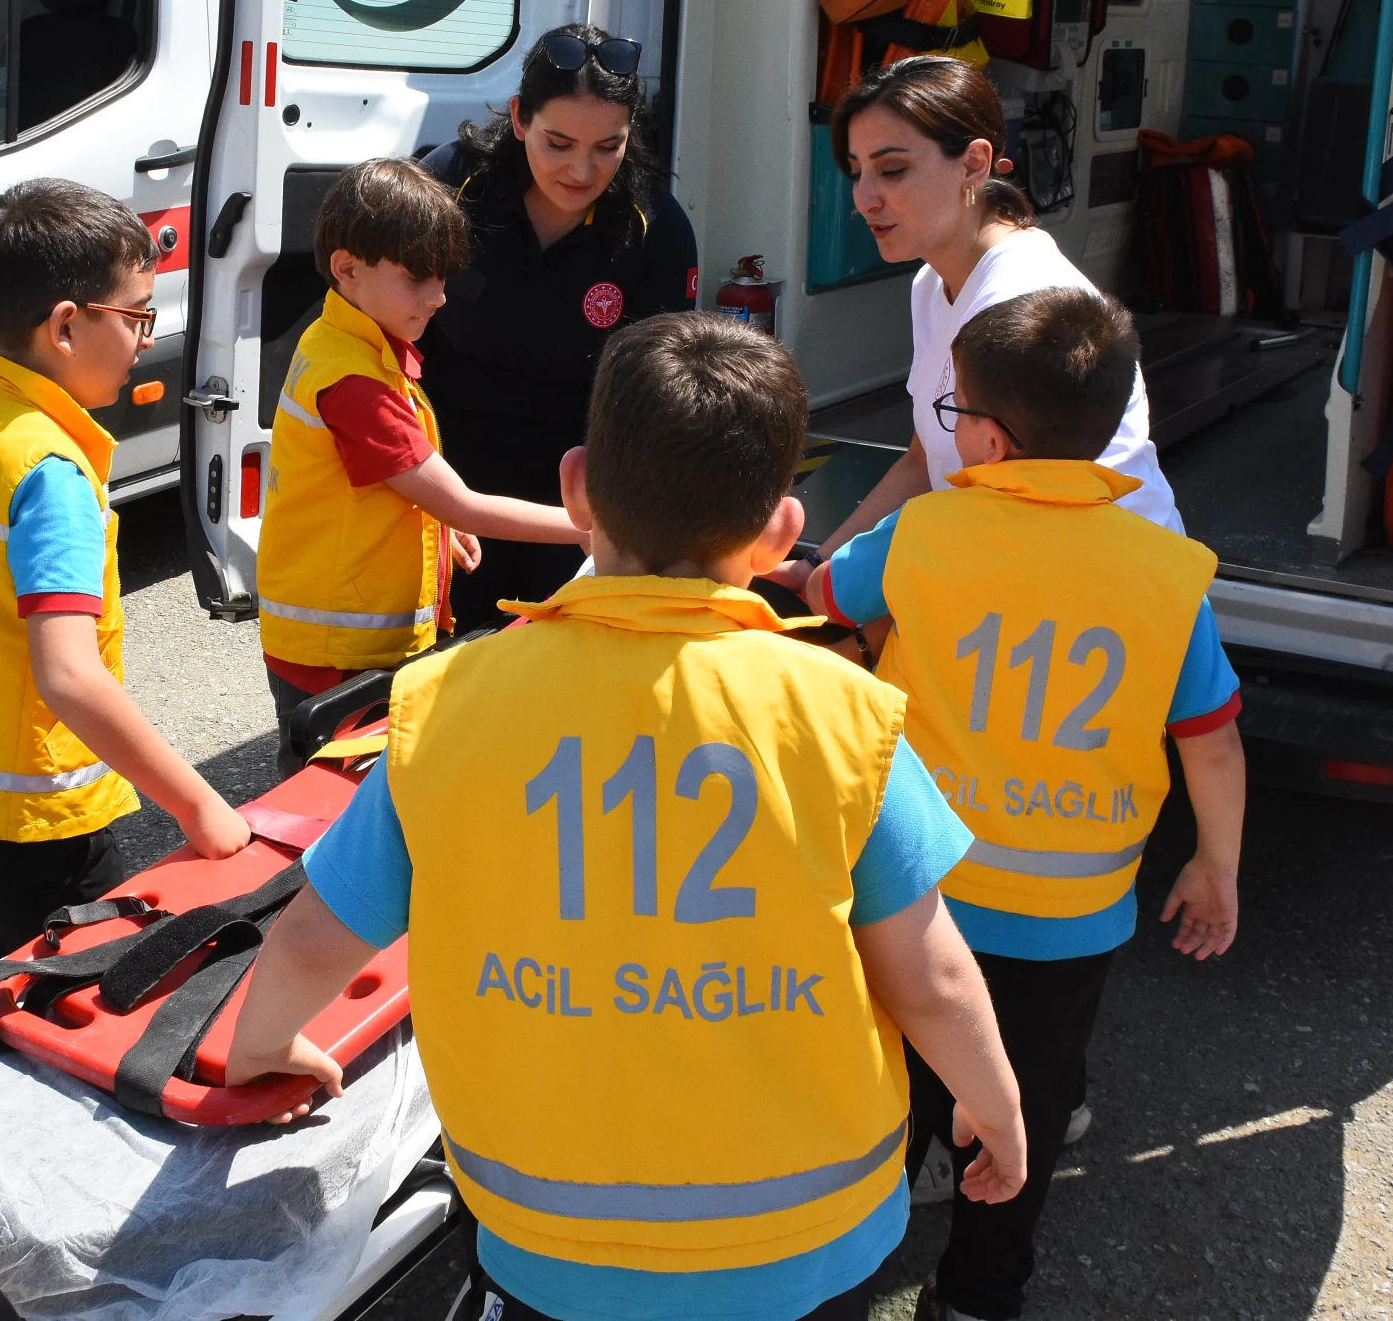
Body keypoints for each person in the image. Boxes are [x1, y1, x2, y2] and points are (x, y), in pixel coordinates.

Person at [224, 311, 1029, 1321]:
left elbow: (311, 939)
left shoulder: (443, 708)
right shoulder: (844, 716)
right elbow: (933, 978)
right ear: (781, 531)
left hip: (545, 1239)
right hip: (806, 1236)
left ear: (574, 489)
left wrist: (258, 1047)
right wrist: (994, 1107)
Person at [793, 288, 1246, 1321]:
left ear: (989, 439)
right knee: (1029, 1098)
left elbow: (828, 596)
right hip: (1070, 919)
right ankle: (982, 1292)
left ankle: (848, 1281)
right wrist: (1212, 863)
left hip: (916, 900)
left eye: (952, 416)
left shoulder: (922, 538)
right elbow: (1209, 743)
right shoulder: (1169, 576)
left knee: (888, 1099)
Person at [0, 178, 251, 968]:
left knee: (6, 974)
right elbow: (67, 673)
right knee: (77, 1002)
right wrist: (197, 806)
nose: (143, 340)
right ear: (66, 325)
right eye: (136, 317)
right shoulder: (52, 473)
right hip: (34, 825)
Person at [256, 159, 580, 764]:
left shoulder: (345, 338)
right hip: (338, 656)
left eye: (443, 277)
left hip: (342, 642)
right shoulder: (354, 381)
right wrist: (590, 528)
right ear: (346, 268)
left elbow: (384, 482)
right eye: (418, 278)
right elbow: (463, 501)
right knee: (336, 812)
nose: (439, 297)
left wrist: (439, 524)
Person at [812, 56, 1178, 567]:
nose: (865, 198)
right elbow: (924, 462)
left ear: (975, 163)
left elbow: (1024, 519)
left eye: (892, 170)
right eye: (857, 173)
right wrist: (818, 567)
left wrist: (838, 590)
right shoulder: (931, 283)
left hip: (1101, 593)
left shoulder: (1025, 303)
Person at [417, 24, 699, 627]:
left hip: (579, 501)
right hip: (446, 482)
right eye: (559, 142)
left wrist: (626, 519)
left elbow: (661, 392)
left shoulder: (657, 227)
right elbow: (385, 337)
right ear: (519, 118)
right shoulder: (451, 184)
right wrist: (419, 489)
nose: (581, 169)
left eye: (608, 147)